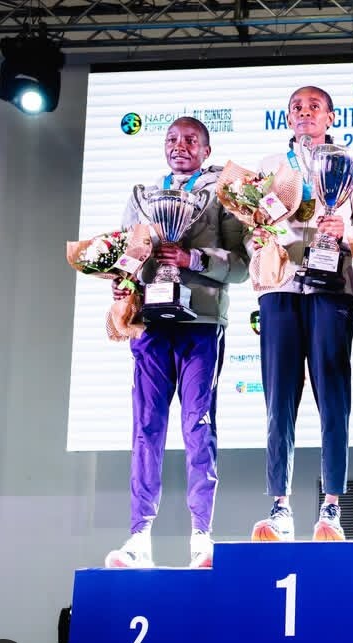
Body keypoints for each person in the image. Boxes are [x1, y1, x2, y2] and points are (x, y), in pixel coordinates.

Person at [105, 116, 249, 568]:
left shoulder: (223, 196)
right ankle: (139, 537)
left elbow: (242, 266)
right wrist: (122, 283)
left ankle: (201, 536)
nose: (179, 146)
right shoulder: (145, 196)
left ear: (206, 150)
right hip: (152, 323)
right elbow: (126, 256)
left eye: (190, 140)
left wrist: (193, 258)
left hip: (201, 323)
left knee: (197, 426)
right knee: (146, 427)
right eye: (172, 139)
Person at [249, 86, 353, 542]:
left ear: (330, 116)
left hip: (333, 289)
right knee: (278, 400)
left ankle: (332, 507)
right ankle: (280, 507)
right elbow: (251, 224)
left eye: (314, 107)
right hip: (281, 287)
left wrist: (346, 231)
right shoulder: (271, 166)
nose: (305, 113)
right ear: (288, 117)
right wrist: (261, 236)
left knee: (334, 398)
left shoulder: (351, 166)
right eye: (297, 108)